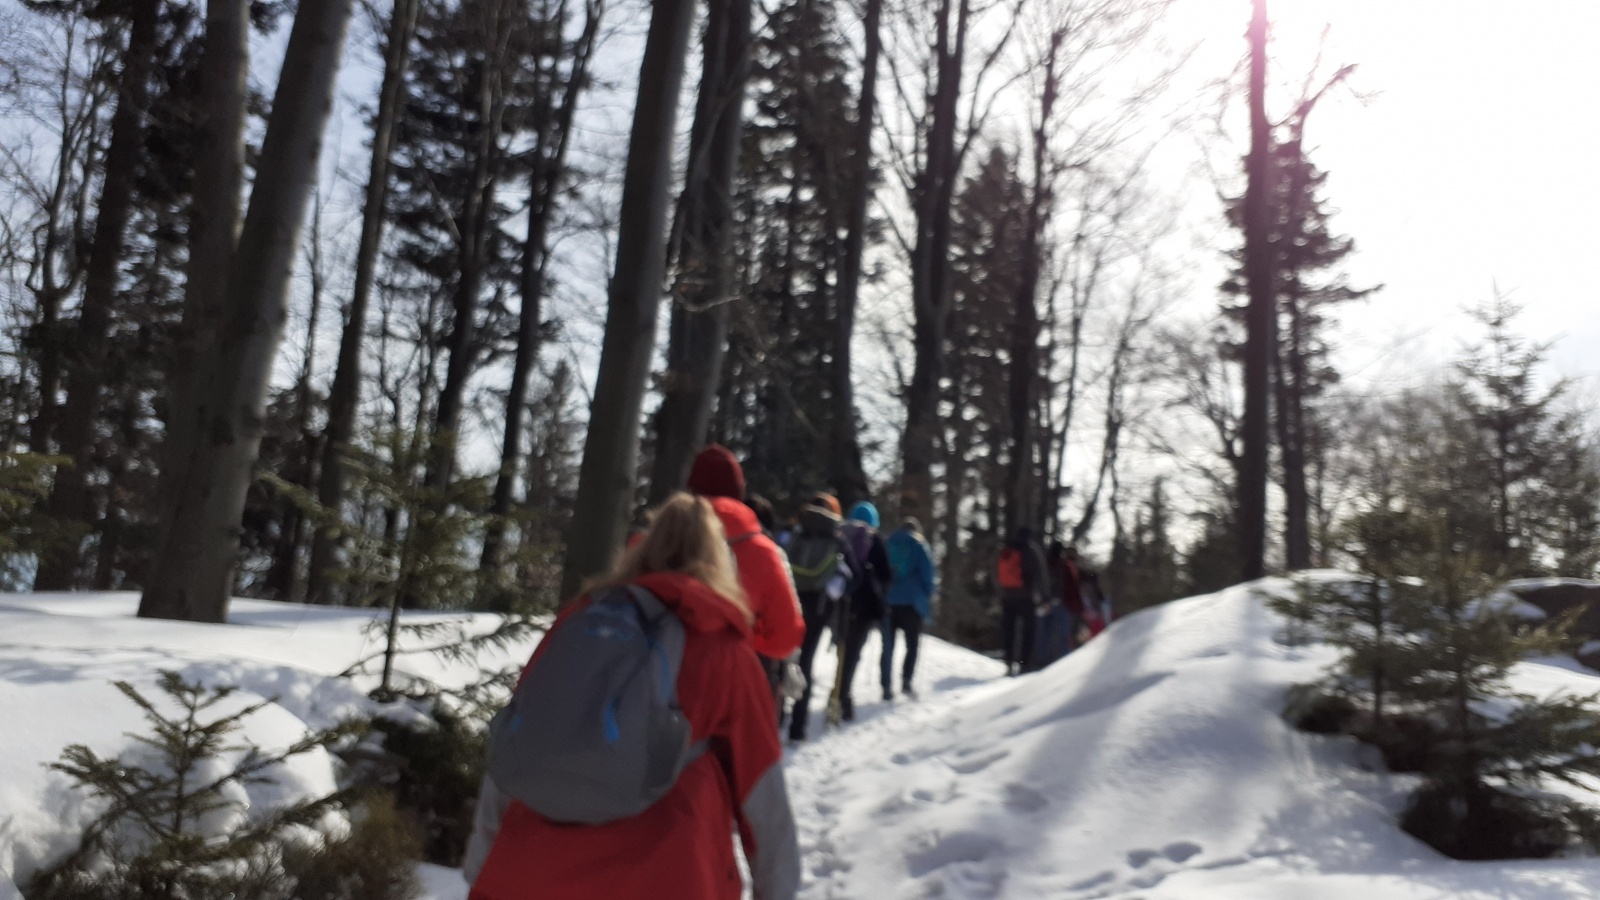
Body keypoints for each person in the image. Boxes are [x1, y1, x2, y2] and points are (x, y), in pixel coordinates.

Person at [463, 493, 800, 900]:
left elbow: (519, 742)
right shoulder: (724, 652)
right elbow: (763, 795)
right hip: (669, 876)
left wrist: (481, 864)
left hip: (532, 872)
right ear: (718, 563)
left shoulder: (576, 627)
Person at [685, 446, 806, 711]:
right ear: (740, 492)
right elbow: (786, 637)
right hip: (735, 697)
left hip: (660, 696)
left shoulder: (653, 544)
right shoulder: (762, 551)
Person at [786, 492, 860, 742]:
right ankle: (798, 726)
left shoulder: (797, 534)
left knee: (783, 658)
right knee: (806, 661)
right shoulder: (836, 537)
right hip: (819, 606)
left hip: (792, 601)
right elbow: (854, 576)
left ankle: (776, 715)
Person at [836, 501, 890, 721]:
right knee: (852, 654)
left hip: (838, 602)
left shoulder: (839, 535)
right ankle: (843, 697)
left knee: (841, 648)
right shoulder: (873, 540)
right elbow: (886, 574)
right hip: (864, 607)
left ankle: (836, 691)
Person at [882, 516, 935, 700]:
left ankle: (886, 686)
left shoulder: (888, 542)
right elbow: (927, 573)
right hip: (913, 601)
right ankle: (906, 681)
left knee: (888, 645)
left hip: (889, 599)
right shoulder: (920, 545)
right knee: (911, 644)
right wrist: (928, 593)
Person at [996, 526, 1047, 675]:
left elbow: (997, 572)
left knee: (1009, 631)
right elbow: (1040, 574)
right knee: (1028, 631)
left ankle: (1009, 662)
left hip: (1007, 596)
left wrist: (1001, 591)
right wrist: (1044, 596)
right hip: (1026, 597)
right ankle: (1025, 664)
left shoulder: (1007, 550)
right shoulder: (1031, 550)